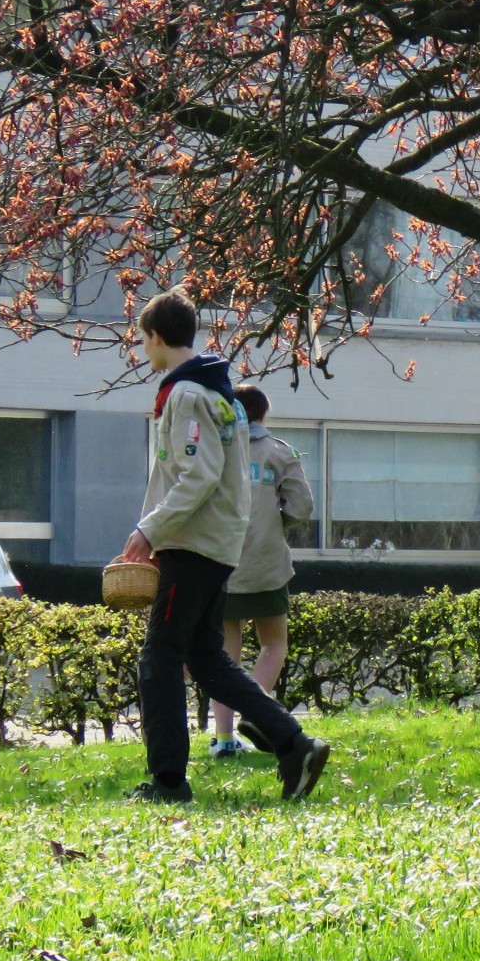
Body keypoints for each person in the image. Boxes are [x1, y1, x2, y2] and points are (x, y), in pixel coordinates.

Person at [118, 289, 330, 803]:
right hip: (217, 545)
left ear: (158, 338)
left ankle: (169, 782)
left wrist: (151, 529)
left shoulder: (188, 395)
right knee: (206, 659)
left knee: (159, 659)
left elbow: (199, 474)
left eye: (143, 341)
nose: (143, 352)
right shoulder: (222, 395)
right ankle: (293, 744)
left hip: (191, 544)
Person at [207, 384, 313, 757]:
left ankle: (222, 741)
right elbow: (301, 507)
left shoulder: (215, 449)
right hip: (267, 565)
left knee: (224, 659)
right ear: (265, 414)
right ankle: (256, 714)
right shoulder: (280, 453)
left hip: (220, 564)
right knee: (274, 644)